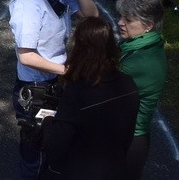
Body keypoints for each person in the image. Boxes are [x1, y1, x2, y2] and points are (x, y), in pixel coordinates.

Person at [8, 0, 98, 178]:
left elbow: (91, 17)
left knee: (56, 147)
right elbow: (26, 56)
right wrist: (66, 72)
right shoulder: (29, 6)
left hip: (56, 80)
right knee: (35, 152)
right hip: (37, 86)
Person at [41, 17, 140, 179]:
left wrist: (46, 124)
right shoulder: (128, 84)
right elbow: (128, 136)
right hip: (115, 169)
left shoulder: (78, 91)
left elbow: (57, 144)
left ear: (80, 48)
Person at [116, 0, 168, 179]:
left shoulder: (140, 61)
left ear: (148, 26)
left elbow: (103, 89)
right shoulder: (145, 45)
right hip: (131, 136)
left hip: (127, 141)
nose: (120, 23)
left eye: (128, 20)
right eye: (121, 16)